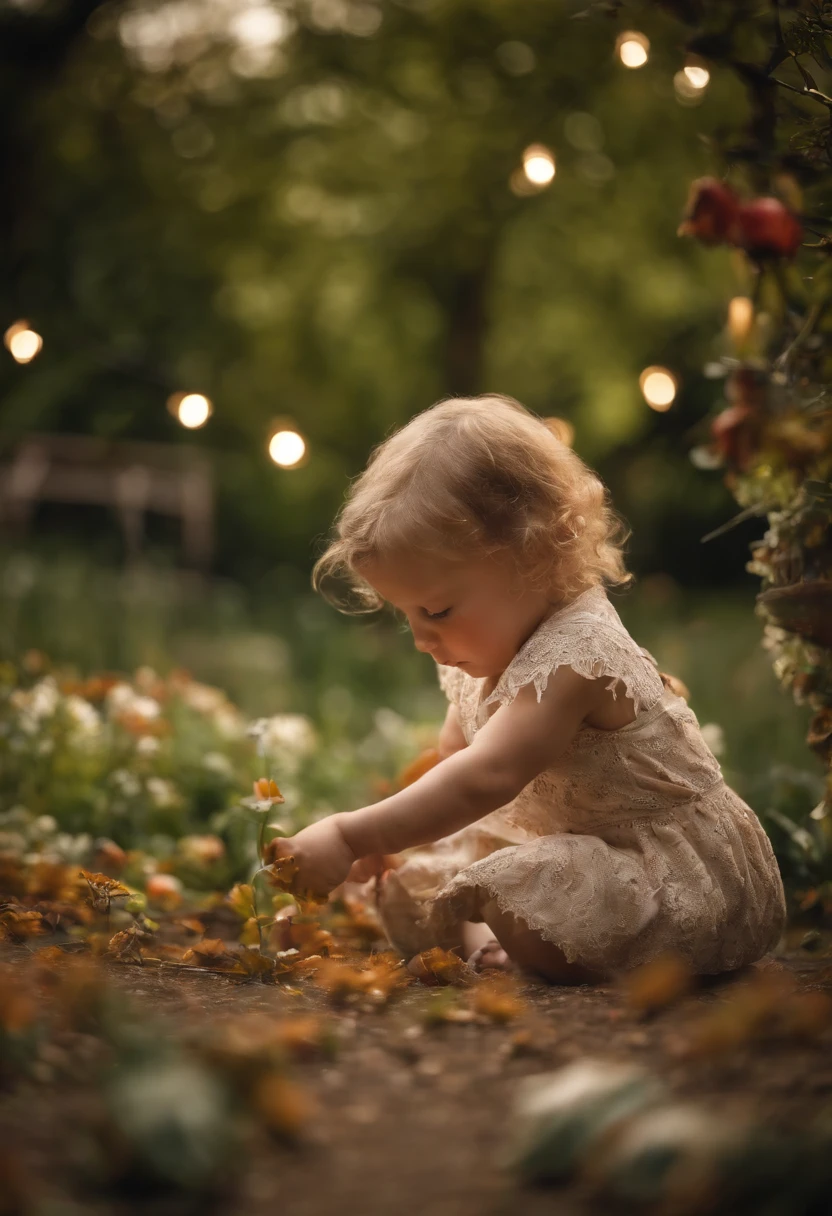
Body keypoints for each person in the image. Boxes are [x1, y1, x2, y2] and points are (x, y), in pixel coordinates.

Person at [266, 394, 786, 983]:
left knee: (521, 881)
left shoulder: (580, 656)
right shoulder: (480, 649)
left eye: (435, 609)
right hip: (574, 845)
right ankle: (494, 938)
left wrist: (350, 831)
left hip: (667, 870)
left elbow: (486, 776)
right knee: (449, 871)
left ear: (532, 554)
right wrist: (383, 843)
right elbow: (453, 765)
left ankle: (520, 943)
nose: (420, 638)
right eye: (405, 614)